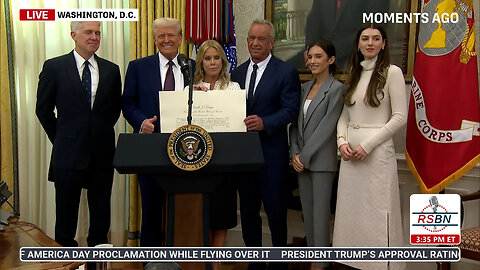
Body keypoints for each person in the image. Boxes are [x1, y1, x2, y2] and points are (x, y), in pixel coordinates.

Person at [36, 21, 122, 247]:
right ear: (74, 35)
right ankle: (67, 260)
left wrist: (97, 134)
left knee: (101, 214)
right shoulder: (54, 67)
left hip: (102, 153)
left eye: (98, 33)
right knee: (65, 215)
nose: (94, 37)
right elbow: (43, 110)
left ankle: (97, 258)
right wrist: (62, 137)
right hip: (67, 152)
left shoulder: (112, 70)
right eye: (89, 32)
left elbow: (113, 110)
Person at [332, 25, 407, 270]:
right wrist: (342, 142)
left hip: (377, 156)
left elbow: (399, 117)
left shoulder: (391, 72)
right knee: (351, 213)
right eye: (365, 38)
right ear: (358, 44)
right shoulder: (353, 72)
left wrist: (367, 145)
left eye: (376, 39)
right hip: (350, 159)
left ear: (384, 44)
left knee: (377, 212)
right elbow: (345, 115)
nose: (370, 43)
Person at [231, 19, 300, 270]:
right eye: (251, 38)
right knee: (248, 214)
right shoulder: (237, 73)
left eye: (261, 39)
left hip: (272, 155)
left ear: (271, 43)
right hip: (244, 157)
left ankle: (279, 263)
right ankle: (255, 263)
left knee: (275, 213)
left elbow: (290, 110)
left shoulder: (286, 71)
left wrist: (265, 122)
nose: (255, 43)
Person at [122, 17, 194, 247]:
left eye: (171, 35)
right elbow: (127, 103)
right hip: (150, 148)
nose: (166, 40)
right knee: (151, 208)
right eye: (161, 36)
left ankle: (180, 256)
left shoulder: (192, 66)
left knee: (184, 207)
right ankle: (149, 260)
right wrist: (141, 121)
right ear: (154, 40)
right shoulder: (138, 67)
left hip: (187, 147)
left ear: (180, 38)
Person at [288, 40, 345, 270]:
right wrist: (294, 153)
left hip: (321, 163)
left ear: (330, 60)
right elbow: (294, 125)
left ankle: (320, 263)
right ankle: (314, 257)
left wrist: (305, 156)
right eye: (310, 57)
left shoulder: (337, 89)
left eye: (318, 56)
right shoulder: (302, 89)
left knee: (321, 216)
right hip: (301, 162)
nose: (312, 61)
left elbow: (327, 127)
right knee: (308, 216)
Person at [190, 39, 241, 270]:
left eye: (216, 57)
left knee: (221, 214)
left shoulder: (233, 88)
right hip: (198, 162)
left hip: (223, 161)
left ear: (223, 60)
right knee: (201, 214)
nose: (212, 62)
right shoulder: (190, 88)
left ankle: (216, 264)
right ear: (201, 62)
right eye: (208, 58)